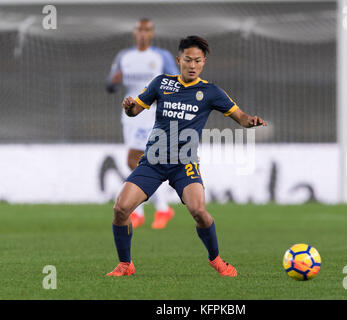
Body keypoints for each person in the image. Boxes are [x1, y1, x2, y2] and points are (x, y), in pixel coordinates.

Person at [106, 35, 267, 277]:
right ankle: (125, 264)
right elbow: (135, 111)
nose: (193, 65)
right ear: (179, 60)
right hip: (154, 161)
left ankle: (217, 260)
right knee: (120, 209)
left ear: (204, 63)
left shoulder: (211, 92)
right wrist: (129, 107)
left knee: (199, 212)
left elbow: (241, 117)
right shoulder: (161, 83)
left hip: (184, 163)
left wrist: (250, 121)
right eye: (188, 60)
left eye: (198, 61)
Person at [106, 18, 179, 229]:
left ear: (152, 33)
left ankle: (155, 209)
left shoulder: (161, 57)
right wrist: (114, 80)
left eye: (147, 30)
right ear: (134, 32)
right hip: (130, 114)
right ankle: (152, 209)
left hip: (154, 114)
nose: (143, 34)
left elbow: (176, 82)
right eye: (139, 30)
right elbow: (110, 84)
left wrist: (162, 95)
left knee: (139, 160)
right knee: (136, 161)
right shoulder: (124, 57)